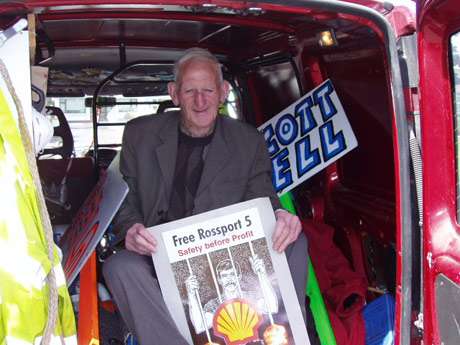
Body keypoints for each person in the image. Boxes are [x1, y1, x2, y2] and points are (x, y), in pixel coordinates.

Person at [103, 47, 308, 345]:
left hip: (230, 259)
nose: (200, 101)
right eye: (190, 91)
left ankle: (283, 335)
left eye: (208, 90)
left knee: (296, 241)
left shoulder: (248, 140)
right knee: (118, 266)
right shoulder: (140, 134)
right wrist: (130, 230)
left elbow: (263, 198)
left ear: (223, 92)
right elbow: (125, 198)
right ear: (174, 94)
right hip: (159, 256)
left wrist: (279, 217)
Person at [186, 256, 278, 334]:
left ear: (239, 276)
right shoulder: (214, 305)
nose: (229, 279)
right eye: (224, 276)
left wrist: (262, 274)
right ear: (219, 280)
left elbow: (272, 307)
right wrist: (191, 294)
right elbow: (200, 326)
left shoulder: (251, 297)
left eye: (232, 274)